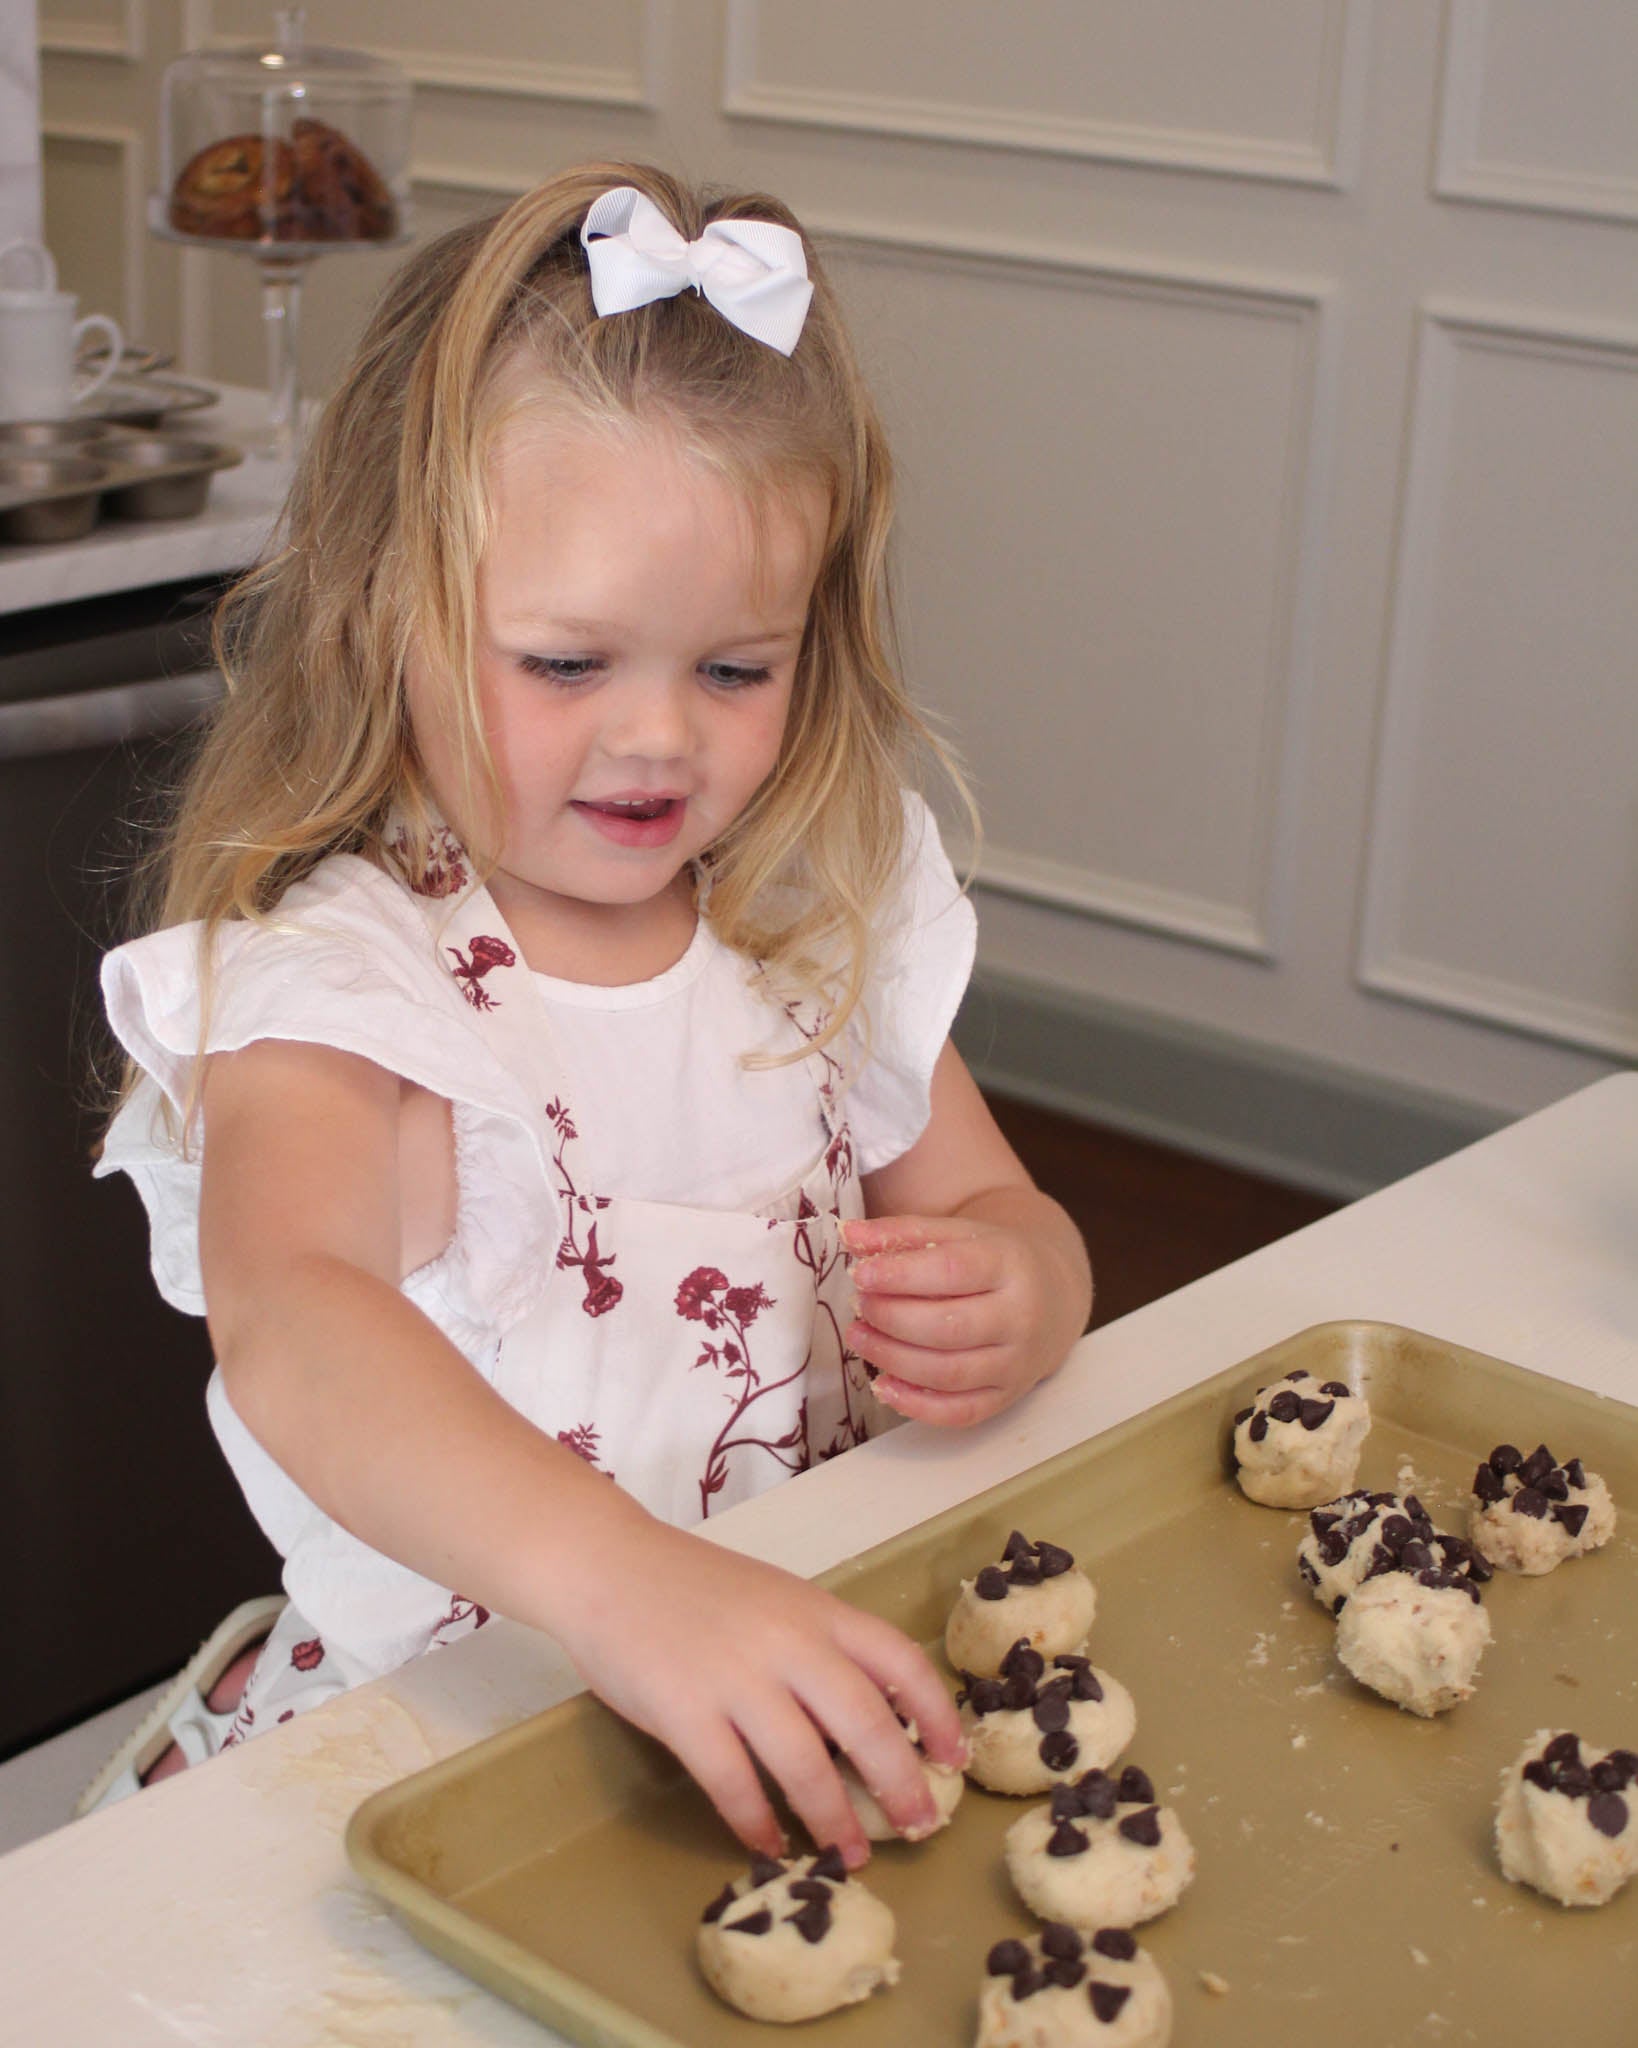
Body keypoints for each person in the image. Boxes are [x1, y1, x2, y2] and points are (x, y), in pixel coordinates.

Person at [83, 163, 1093, 1862]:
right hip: (439, 1767)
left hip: (793, 1697)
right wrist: (627, 1587)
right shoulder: (339, 989)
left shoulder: (804, 920)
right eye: (566, 666)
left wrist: (1029, 1287)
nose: (657, 743)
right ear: (383, 609)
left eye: (733, 669)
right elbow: (295, 1322)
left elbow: (997, 1204)